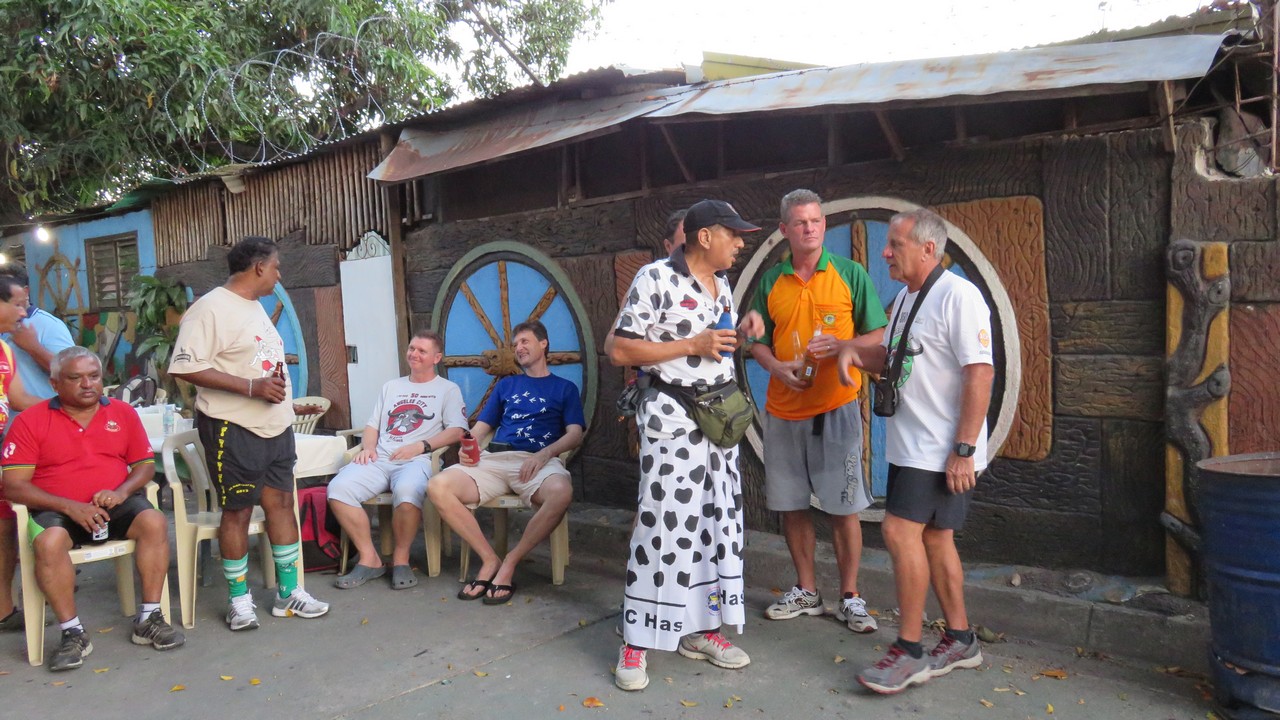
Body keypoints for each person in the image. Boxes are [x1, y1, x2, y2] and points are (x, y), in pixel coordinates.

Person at [607, 198, 765, 691]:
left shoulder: (723, 285)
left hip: (719, 423)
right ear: (704, 236)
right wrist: (691, 345)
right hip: (673, 421)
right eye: (732, 234)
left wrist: (742, 330)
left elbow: (715, 347)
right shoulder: (654, 278)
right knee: (663, 529)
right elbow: (619, 348)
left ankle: (701, 629)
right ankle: (635, 640)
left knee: (715, 527)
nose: (739, 243)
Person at [834, 208, 994, 694]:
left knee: (899, 531)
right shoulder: (906, 297)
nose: (886, 252)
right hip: (912, 444)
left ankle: (909, 651)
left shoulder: (959, 296)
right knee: (936, 539)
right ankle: (961, 640)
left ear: (928, 248)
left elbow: (980, 372)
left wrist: (964, 449)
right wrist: (849, 350)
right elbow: (892, 355)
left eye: (896, 244)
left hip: (940, 446)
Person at [168, 235, 329, 631]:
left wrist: (284, 402)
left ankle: (289, 593)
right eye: (276, 267)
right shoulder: (209, 309)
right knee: (237, 510)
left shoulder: (255, 306)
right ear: (259, 267)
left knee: (282, 504)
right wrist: (252, 388)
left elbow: (253, 362)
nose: (279, 275)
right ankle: (239, 600)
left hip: (275, 426)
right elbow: (186, 366)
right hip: (233, 427)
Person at [749, 189, 886, 633]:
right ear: (784, 230)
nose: (810, 228)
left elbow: (877, 334)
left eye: (816, 221)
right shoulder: (771, 281)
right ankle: (806, 591)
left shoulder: (849, 273)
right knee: (791, 507)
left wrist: (843, 345)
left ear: (823, 225)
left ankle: (851, 597)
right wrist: (775, 367)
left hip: (836, 408)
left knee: (844, 508)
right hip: (783, 410)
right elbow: (756, 342)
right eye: (800, 222)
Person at [2, 347, 184, 671]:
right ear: (55, 383)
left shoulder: (122, 412)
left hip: (115, 503)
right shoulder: (31, 421)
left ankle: (149, 618)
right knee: (48, 542)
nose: (87, 384)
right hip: (57, 509)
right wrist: (70, 506)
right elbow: (14, 486)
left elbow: (144, 466)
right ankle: (72, 632)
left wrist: (121, 491)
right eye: (75, 378)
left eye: (94, 376)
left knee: (154, 522)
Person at [428, 319, 584, 605]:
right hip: (496, 459)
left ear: (543, 344)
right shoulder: (507, 385)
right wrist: (468, 446)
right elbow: (480, 428)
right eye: (515, 345)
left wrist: (545, 454)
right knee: (438, 486)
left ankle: (511, 561)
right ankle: (489, 560)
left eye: (524, 342)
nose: (518, 348)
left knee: (561, 492)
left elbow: (574, 434)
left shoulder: (565, 388)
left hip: (538, 461)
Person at [328, 329, 467, 590]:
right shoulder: (392, 387)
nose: (414, 354)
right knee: (338, 489)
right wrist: (368, 448)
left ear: (437, 358)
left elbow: (457, 430)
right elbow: (372, 425)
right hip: (380, 458)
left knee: (406, 491)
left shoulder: (447, 390)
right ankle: (370, 558)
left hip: (418, 460)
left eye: (422, 351)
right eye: (412, 348)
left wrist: (421, 446)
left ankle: (401, 559)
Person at [0, 275, 47, 633]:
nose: (23, 313)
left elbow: (17, 399)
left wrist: (65, 405)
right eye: (16, 304)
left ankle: (3, 610)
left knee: (5, 528)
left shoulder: (5, 351)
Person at [0, 263, 75, 403]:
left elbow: (73, 372)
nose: (22, 313)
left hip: (39, 416)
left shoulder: (49, 324)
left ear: (25, 291)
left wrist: (34, 348)